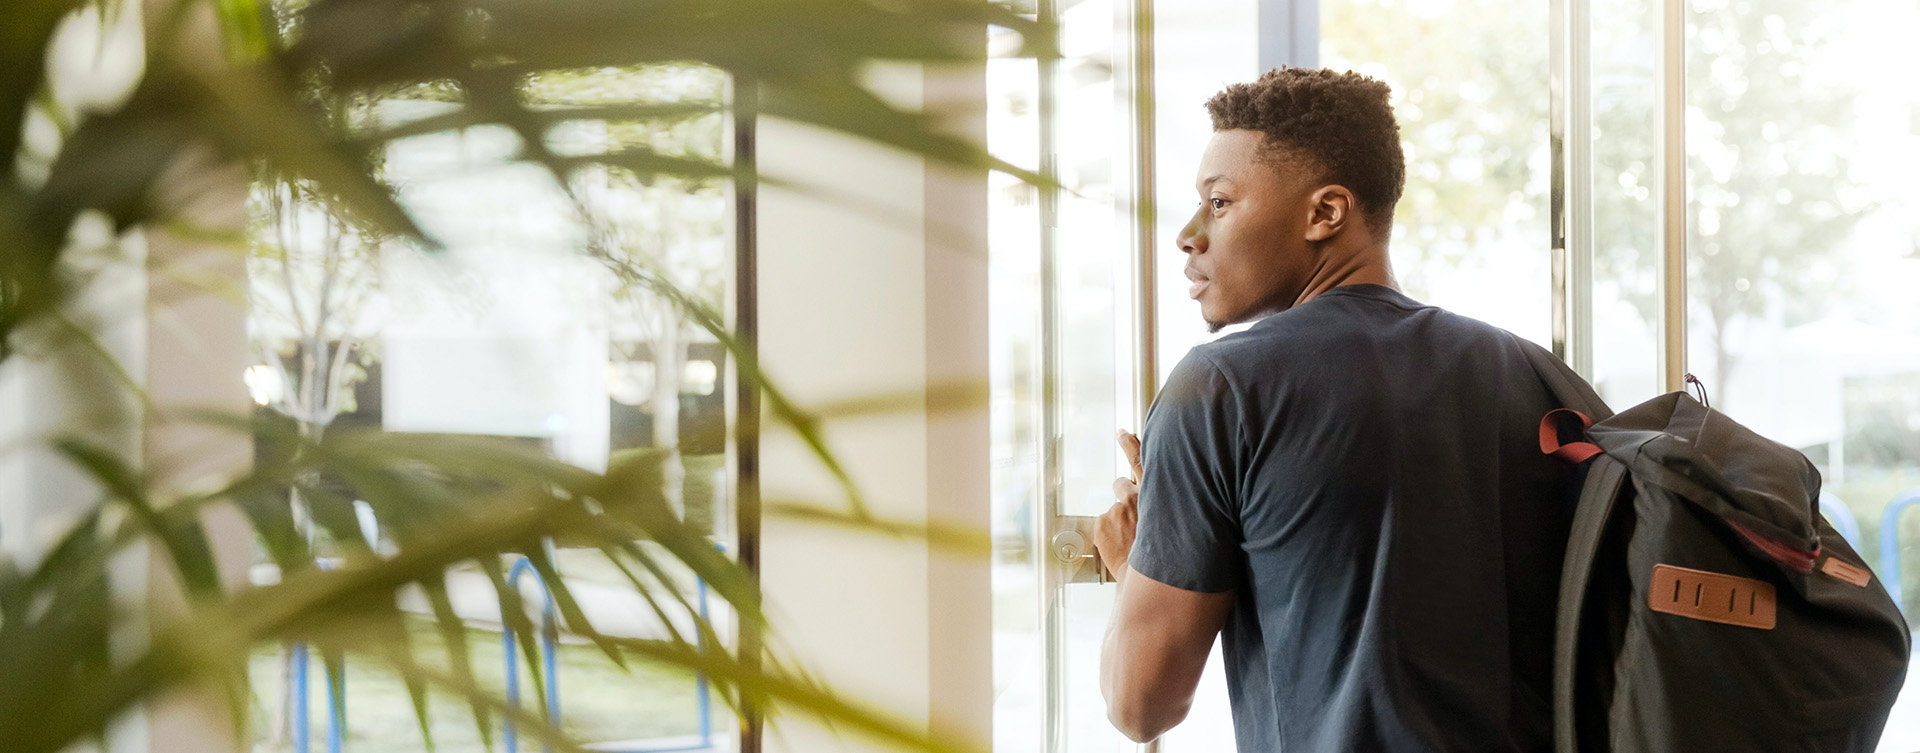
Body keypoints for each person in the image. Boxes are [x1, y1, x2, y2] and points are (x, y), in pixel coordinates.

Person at [1088, 67, 1575, 752]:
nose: (1189, 234)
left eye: (1219, 202)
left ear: (1326, 212)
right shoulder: (1533, 374)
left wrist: (1137, 564)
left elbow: (1140, 704)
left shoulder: (1221, 386)